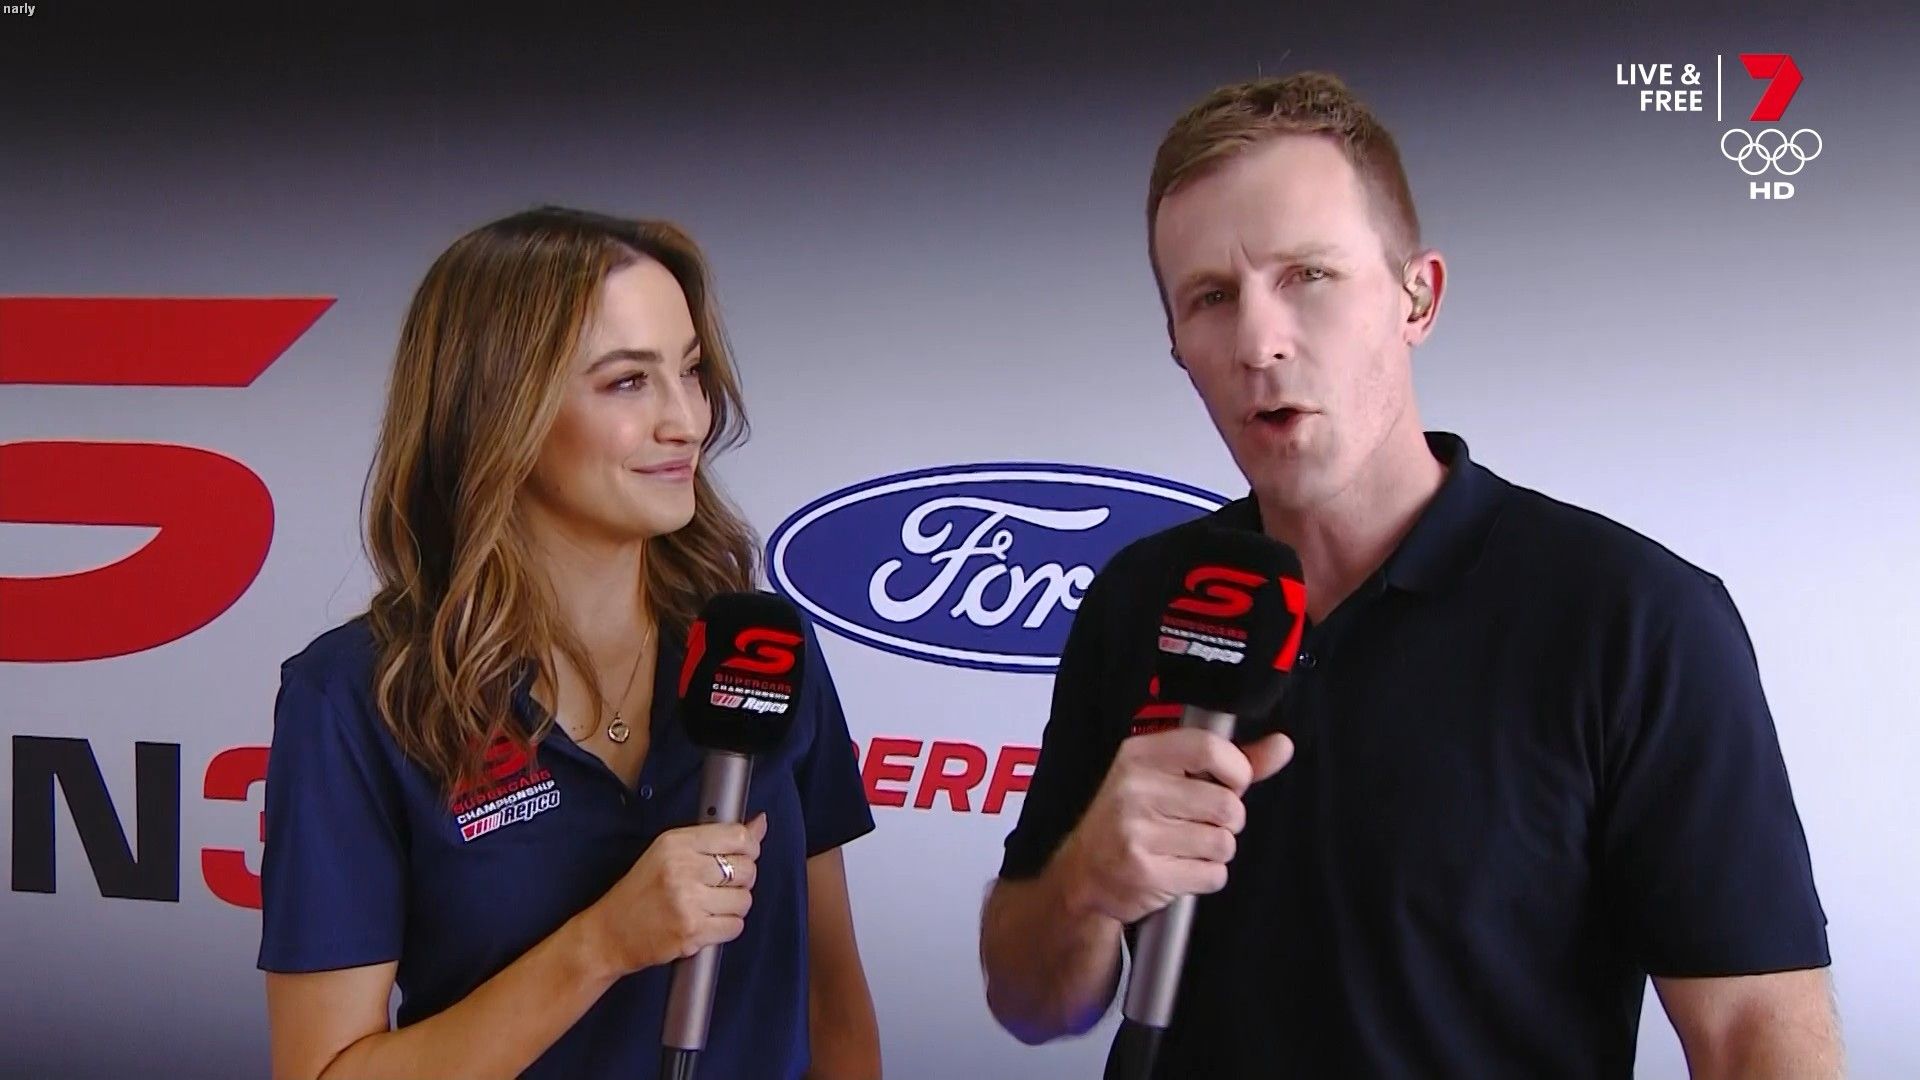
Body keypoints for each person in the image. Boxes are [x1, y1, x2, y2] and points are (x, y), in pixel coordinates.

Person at [978, 73, 1839, 1078]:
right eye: (1211, 298)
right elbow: (1027, 1001)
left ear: (1417, 297)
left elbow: (1755, 1037)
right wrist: (1085, 882)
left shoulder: (1635, 620)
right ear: (1177, 344)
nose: (1259, 342)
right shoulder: (1143, 597)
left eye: (1307, 276)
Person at [259, 207, 882, 1080]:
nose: (686, 421)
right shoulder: (357, 697)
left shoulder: (761, 649)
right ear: (497, 411)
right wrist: (602, 944)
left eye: (691, 371)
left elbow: (834, 1008)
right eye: (628, 382)